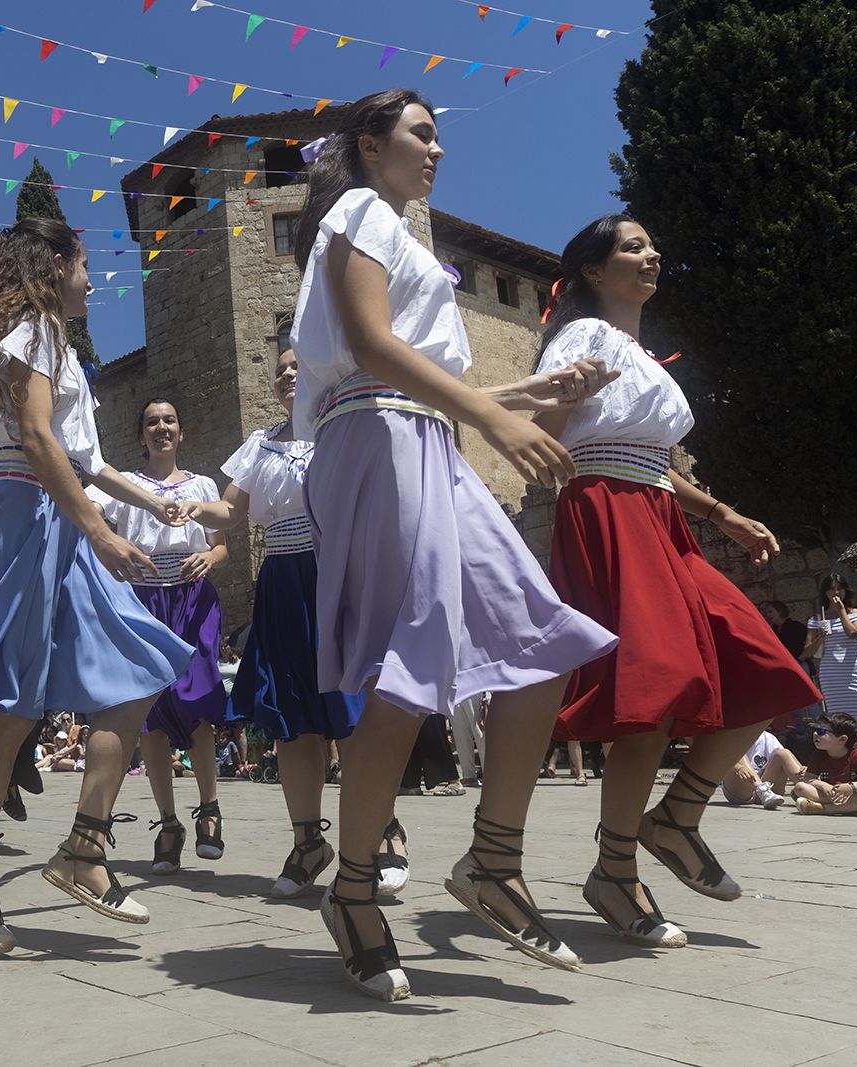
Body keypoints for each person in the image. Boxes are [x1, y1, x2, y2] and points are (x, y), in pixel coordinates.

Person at [288, 89, 620, 999]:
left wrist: (539, 391)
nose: (438, 151)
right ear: (370, 145)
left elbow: (420, 375)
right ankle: (354, 893)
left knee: (541, 640)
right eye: (421, 135)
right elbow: (368, 346)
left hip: (422, 439)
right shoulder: (358, 210)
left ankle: (492, 863)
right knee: (409, 671)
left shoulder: (401, 233)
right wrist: (490, 414)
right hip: (374, 440)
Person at [534, 214, 822, 953]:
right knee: (650, 691)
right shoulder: (583, 338)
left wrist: (722, 512)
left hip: (660, 517)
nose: (652, 253)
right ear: (595, 271)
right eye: (633, 246)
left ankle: (677, 816)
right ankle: (615, 869)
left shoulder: (643, 355)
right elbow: (555, 427)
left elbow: (652, 460)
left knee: (766, 666)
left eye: (653, 244)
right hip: (606, 512)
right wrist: (567, 392)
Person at [0, 217, 194, 954]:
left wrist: (145, 503)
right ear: (51, 269)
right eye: (83, 263)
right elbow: (37, 441)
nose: (92, 278)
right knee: (11, 704)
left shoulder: (53, 343)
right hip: (24, 514)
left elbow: (86, 458)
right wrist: (103, 533)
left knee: (139, 668)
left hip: (54, 514)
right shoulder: (34, 330)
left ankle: (84, 846)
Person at [183, 346, 370, 898]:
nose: (289, 373)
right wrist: (188, 509)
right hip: (283, 580)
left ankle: (380, 830)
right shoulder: (260, 443)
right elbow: (231, 511)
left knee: (350, 708)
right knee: (290, 715)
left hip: (337, 572)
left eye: (298, 365)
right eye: (281, 370)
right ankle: (308, 841)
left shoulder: (343, 425)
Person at [89, 398, 228, 875]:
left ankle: (209, 808)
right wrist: (117, 554)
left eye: (170, 420)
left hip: (192, 599)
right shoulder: (124, 488)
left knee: (197, 700)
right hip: (144, 601)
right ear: (141, 435)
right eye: (152, 422)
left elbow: (222, 542)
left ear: (181, 432)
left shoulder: (203, 485)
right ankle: (169, 822)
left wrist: (213, 558)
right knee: (148, 713)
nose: (162, 428)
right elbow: (94, 525)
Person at [803, 577, 857, 749]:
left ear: (846, 590)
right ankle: (845, 751)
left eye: (839, 588)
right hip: (831, 672)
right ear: (824, 593)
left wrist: (841, 611)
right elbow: (806, 653)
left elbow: (853, 633)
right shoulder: (817, 618)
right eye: (831, 589)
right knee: (838, 715)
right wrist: (820, 637)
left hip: (856, 668)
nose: (835, 593)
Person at [791, 712, 857, 815]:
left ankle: (823, 809)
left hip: (852, 795)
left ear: (842, 739)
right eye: (815, 730)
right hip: (829, 794)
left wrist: (851, 787)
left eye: (821, 731)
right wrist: (823, 785)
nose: (815, 734)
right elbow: (808, 778)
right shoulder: (818, 754)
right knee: (800, 787)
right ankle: (856, 808)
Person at [719, 731, 804, 809]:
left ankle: (810, 789)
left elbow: (784, 762)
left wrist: (803, 770)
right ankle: (762, 790)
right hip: (741, 788)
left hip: (769, 788)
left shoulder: (768, 738)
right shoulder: (730, 735)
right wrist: (738, 768)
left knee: (784, 753)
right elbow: (718, 760)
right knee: (739, 752)